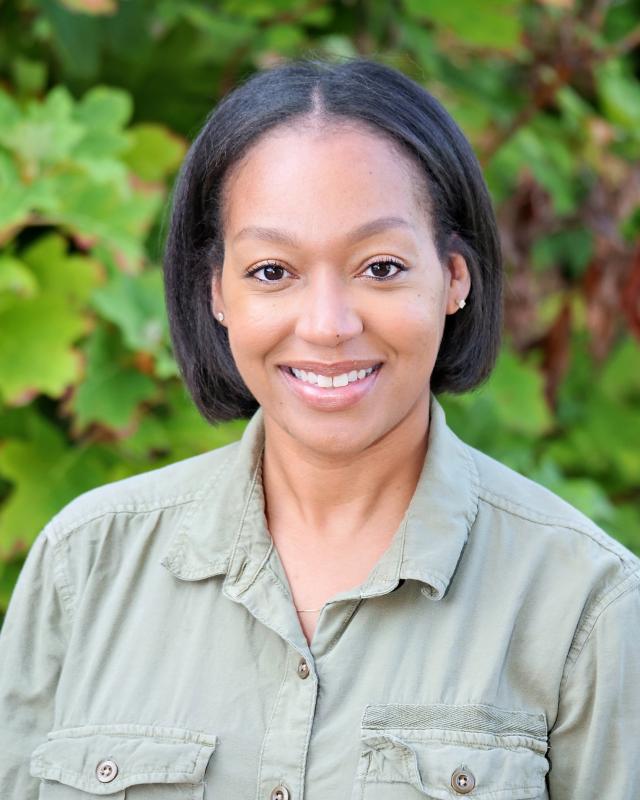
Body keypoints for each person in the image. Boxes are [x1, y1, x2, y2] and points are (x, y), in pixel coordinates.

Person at [0, 58, 638, 800]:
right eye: (273, 271)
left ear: (454, 278)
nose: (328, 326)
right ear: (216, 292)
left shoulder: (584, 604)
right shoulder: (87, 565)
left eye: (381, 267)